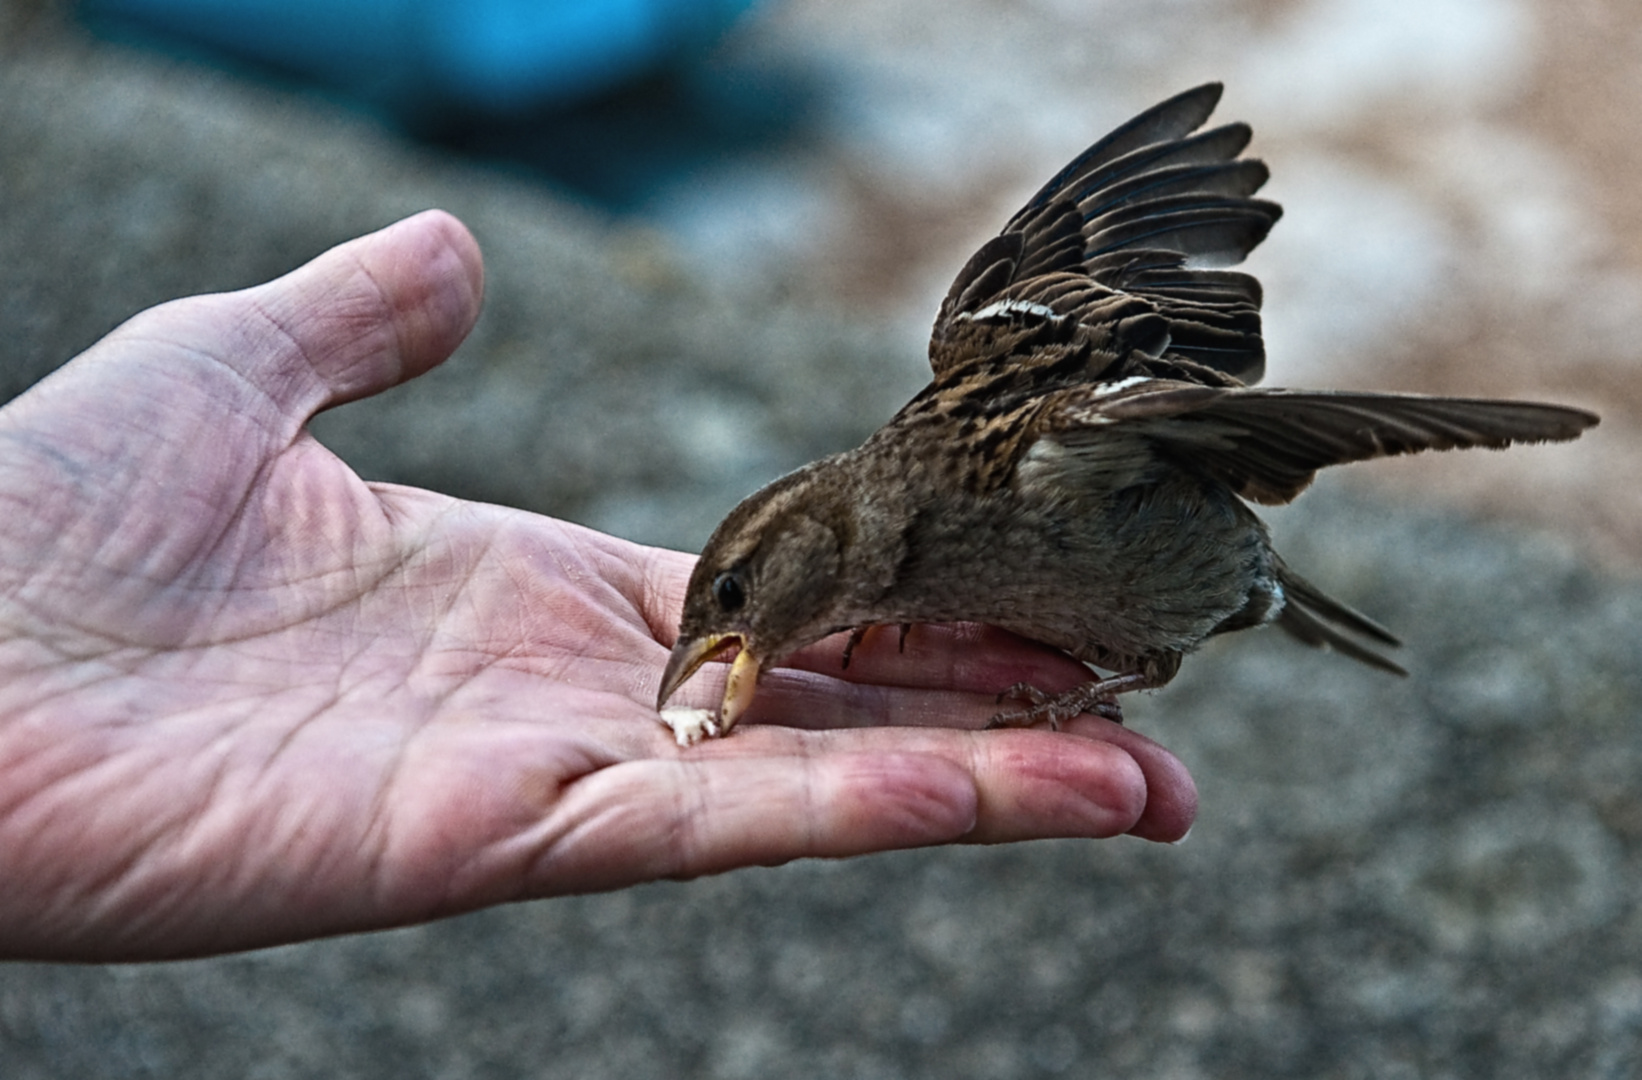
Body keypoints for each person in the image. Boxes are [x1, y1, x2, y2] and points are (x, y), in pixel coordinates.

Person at [0, 210, 1195, 962]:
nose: (717, 640)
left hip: (1180, 571)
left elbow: (1206, 426)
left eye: (728, 605)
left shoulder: (1030, 438)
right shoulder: (893, 526)